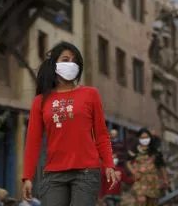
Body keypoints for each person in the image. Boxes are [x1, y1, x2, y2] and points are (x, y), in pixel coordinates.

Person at [22, 42, 118, 206]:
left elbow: (101, 134)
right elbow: (33, 141)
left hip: (86, 172)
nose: (70, 64)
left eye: (74, 61)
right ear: (54, 64)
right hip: (53, 174)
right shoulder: (40, 101)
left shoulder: (90, 94)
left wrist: (109, 164)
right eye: (65, 59)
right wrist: (27, 177)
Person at [127, 128, 168, 206]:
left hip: (153, 182)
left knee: (152, 203)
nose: (145, 140)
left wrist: (165, 179)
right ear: (138, 138)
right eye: (142, 138)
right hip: (140, 181)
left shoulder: (155, 151)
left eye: (146, 137)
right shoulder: (134, 150)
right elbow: (128, 162)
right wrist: (133, 172)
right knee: (140, 201)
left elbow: (162, 166)